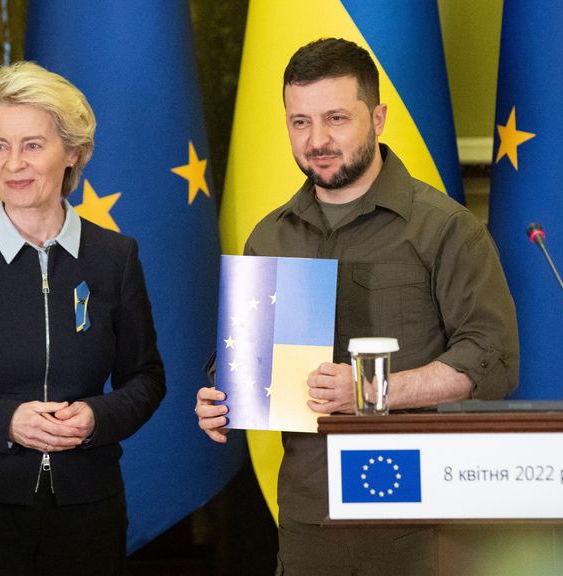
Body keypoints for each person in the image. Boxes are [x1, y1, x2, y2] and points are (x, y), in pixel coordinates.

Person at [195, 38, 519, 575]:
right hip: (308, 517)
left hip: (420, 517)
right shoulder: (269, 237)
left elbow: (494, 359)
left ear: (379, 118)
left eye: (336, 119)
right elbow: (248, 356)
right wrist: (223, 395)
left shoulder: (445, 228)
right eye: (299, 122)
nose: (317, 140)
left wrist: (371, 392)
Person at [0, 61, 166, 576]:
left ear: (73, 153)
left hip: (87, 512)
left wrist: (95, 420)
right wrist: (7, 423)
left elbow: (146, 379)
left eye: (33, 145)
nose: (14, 163)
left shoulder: (115, 257)